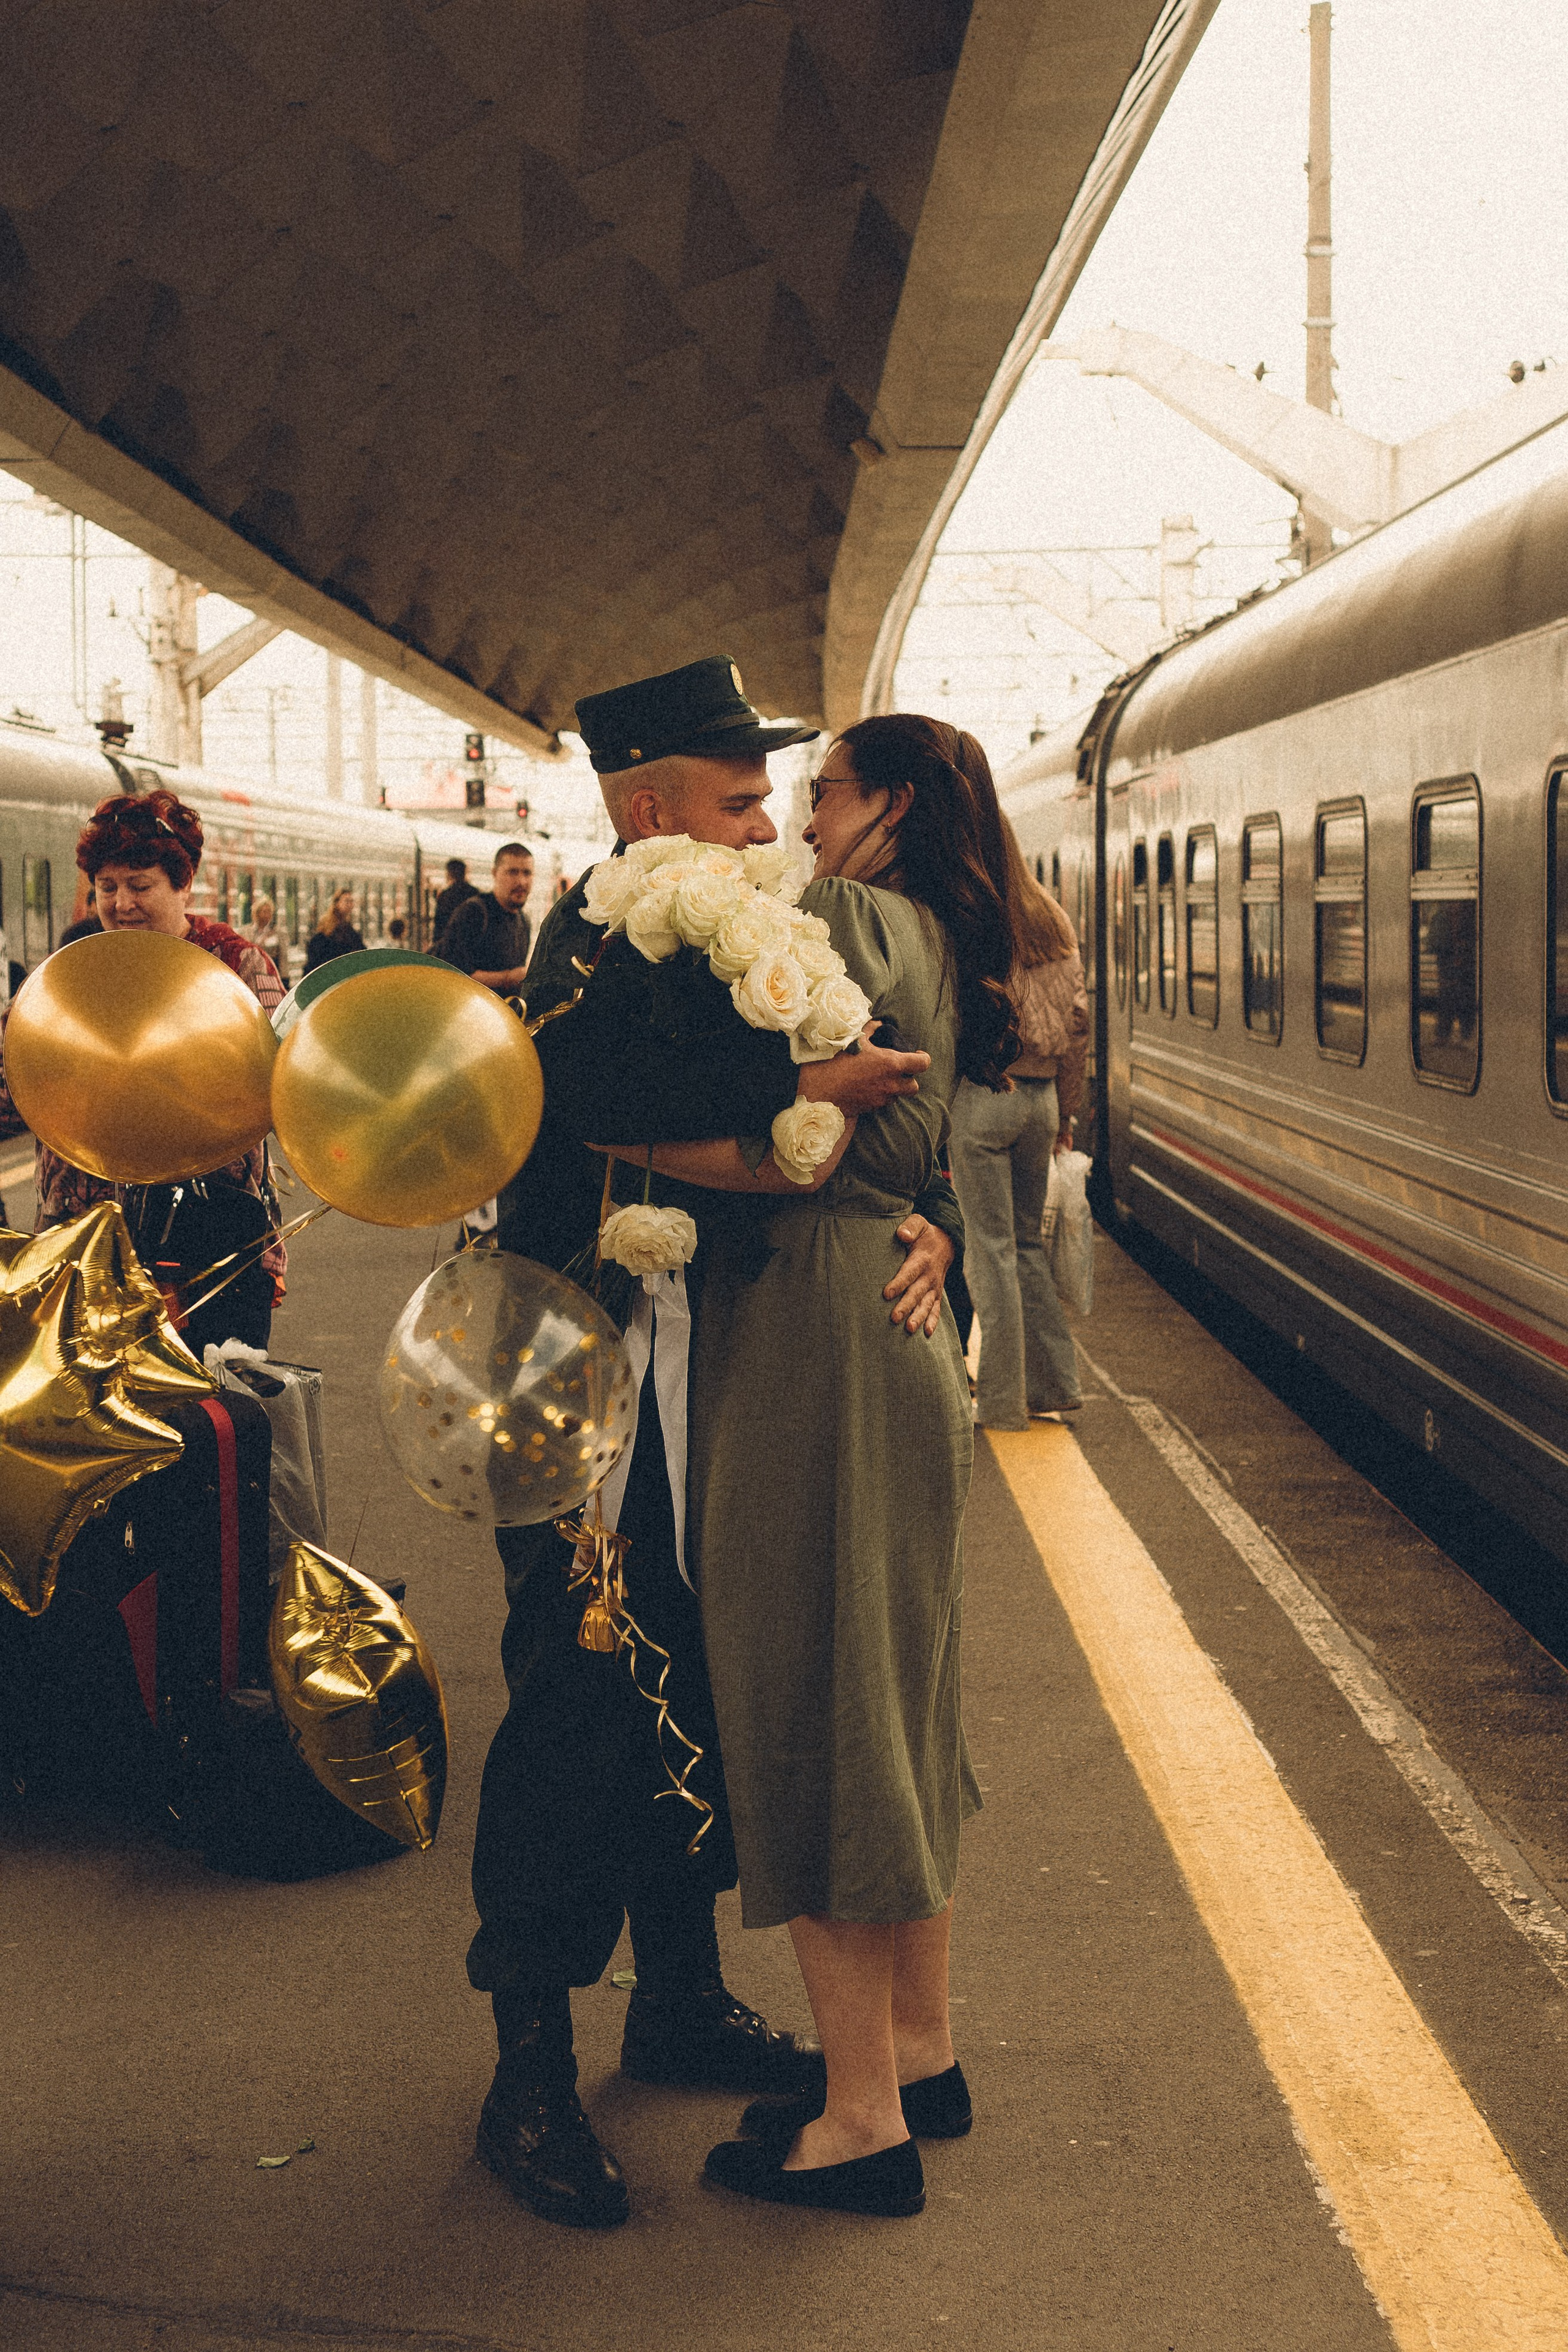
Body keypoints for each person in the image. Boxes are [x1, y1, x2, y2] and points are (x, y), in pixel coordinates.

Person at [468, 657, 963, 2232]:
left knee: (692, 1680)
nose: (771, 827)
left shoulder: (718, 920)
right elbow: (602, 1108)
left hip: (707, 1383)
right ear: (649, 805)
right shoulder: (593, 940)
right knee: (572, 1696)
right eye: (743, 797)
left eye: (774, 797)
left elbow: (882, 1116)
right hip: (583, 1382)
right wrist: (800, 1094)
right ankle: (527, 2068)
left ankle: (674, 1995)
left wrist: (928, 1211)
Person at [623, 714, 1019, 2217]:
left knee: (806, 1690)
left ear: (886, 807)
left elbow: (777, 1120)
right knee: (893, 1688)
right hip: (887, 1333)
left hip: (810, 1338)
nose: (792, 808)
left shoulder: (838, 917)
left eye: (820, 786)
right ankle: (915, 2050)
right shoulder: (929, 921)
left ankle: (860, 2118)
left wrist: (616, 1137)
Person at [0, 789, 287, 1353]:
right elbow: (17, 1082)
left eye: (140, 885)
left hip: (212, 1234)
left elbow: (282, 1087)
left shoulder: (235, 967)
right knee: (92, 1413)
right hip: (81, 1233)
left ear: (183, 884)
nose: (121, 903)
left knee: (210, 1401)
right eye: (107, 887)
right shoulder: (70, 974)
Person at [947, 818, 1088, 1428]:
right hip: (1042, 1101)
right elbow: (1079, 1024)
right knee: (1027, 1246)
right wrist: (1068, 1111)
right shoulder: (1051, 916)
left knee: (990, 1251)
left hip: (987, 1095)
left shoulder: (974, 917)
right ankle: (1053, 1387)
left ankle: (1001, 1403)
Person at [440, 843, 533, 992]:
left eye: (527, 873)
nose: (522, 882)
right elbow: (454, 974)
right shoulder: (473, 913)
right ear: (495, 873)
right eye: (513, 872)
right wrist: (508, 978)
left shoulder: (524, 921)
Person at [303, 888, 363, 973]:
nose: (350, 905)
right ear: (337, 903)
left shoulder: (349, 929)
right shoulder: (329, 927)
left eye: (352, 901)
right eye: (347, 901)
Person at [432, 856, 481, 952]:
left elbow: (439, 924)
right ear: (465, 873)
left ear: (449, 874)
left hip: (450, 946)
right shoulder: (475, 893)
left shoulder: (445, 895)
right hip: (472, 945)